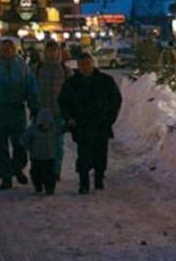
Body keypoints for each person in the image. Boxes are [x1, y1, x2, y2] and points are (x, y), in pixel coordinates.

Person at [0, 37, 40, 190]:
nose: (6, 51)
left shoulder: (22, 67)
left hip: (17, 108)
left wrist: (34, 107)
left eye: (9, 48)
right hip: (0, 109)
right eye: (3, 49)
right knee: (0, 145)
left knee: (20, 143)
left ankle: (17, 168)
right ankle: (6, 176)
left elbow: (31, 88)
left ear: (14, 50)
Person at [59, 52, 123, 194]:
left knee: (100, 153)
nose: (85, 67)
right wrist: (69, 117)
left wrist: (110, 118)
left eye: (87, 64)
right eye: (82, 65)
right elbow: (63, 102)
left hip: (101, 123)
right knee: (84, 155)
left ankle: (99, 178)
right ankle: (84, 182)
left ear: (92, 64)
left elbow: (115, 100)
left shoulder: (105, 81)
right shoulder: (71, 83)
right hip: (82, 124)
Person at [33, 40, 68, 178]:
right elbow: (31, 89)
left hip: (58, 113)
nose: (52, 53)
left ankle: (55, 171)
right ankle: (41, 171)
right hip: (41, 113)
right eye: (49, 50)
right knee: (39, 144)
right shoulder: (37, 69)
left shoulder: (64, 70)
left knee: (58, 144)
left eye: (54, 50)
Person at [19, 109, 62, 196]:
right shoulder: (32, 130)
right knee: (36, 174)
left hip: (50, 158)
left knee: (50, 175)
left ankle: (50, 188)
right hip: (36, 158)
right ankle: (38, 187)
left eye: (47, 124)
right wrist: (26, 147)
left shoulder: (54, 129)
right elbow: (23, 139)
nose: (46, 126)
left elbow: (62, 129)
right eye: (43, 124)